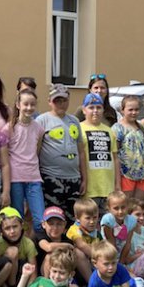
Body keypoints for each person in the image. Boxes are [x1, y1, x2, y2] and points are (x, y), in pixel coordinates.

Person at [36, 83, 87, 222]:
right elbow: (37, 149)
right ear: (49, 101)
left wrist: (84, 178)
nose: (61, 104)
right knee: (53, 217)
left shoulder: (74, 121)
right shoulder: (42, 120)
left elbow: (81, 151)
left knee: (72, 217)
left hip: (73, 178)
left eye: (64, 100)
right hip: (51, 177)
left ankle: (70, 243)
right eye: (57, 100)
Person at [4, 89, 45, 233]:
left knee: (40, 220)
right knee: (17, 219)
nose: (29, 108)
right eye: (26, 104)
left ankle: (39, 251)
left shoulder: (38, 128)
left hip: (34, 178)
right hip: (15, 179)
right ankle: (20, 252)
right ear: (18, 105)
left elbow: (37, 151)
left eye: (32, 104)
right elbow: (4, 154)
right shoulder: (9, 127)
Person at [79, 92, 119, 215]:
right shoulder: (79, 128)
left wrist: (117, 184)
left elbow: (115, 158)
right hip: (90, 189)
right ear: (84, 110)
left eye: (98, 107)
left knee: (107, 225)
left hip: (108, 189)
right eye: (91, 107)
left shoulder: (109, 131)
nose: (95, 111)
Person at [113, 95, 144, 201]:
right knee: (127, 204)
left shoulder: (141, 127)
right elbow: (115, 154)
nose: (134, 112)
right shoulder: (118, 128)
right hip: (126, 174)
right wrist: (117, 180)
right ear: (122, 110)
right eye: (130, 110)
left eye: (136, 109)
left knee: (138, 205)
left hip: (142, 174)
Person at [0, 206, 37, 287]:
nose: (12, 231)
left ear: (21, 226)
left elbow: (33, 272)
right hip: (3, 283)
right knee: (13, 251)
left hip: (21, 278)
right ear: (1, 231)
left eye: (15, 226)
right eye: (7, 228)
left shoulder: (28, 243)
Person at [65, 197, 100, 282]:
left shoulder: (96, 231)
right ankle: (92, 283)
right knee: (78, 252)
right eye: (88, 218)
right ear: (77, 218)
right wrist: (102, 257)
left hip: (92, 261)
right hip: (74, 266)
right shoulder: (74, 230)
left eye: (95, 217)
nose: (92, 221)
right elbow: (82, 245)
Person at [33, 206, 75, 277]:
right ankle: (46, 284)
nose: (55, 228)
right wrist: (68, 246)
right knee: (50, 256)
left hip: (61, 274)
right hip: (42, 273)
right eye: (51, 224)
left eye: (59, 224)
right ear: (43, 224)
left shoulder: (67, 240)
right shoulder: (40, 236)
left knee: (76, 254)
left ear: (64, 224)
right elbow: (48, 247)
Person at [100, 190, 138, 266]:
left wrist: (121, 263)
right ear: (109, 208)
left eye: (123, 207)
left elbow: (128, 243)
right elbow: (111, 243)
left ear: (127, 206)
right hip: (108, 252)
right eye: (116, 208)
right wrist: (115, 263)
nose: (120, 211)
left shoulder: (131, 221)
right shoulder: (108, 220)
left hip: (122, 253)